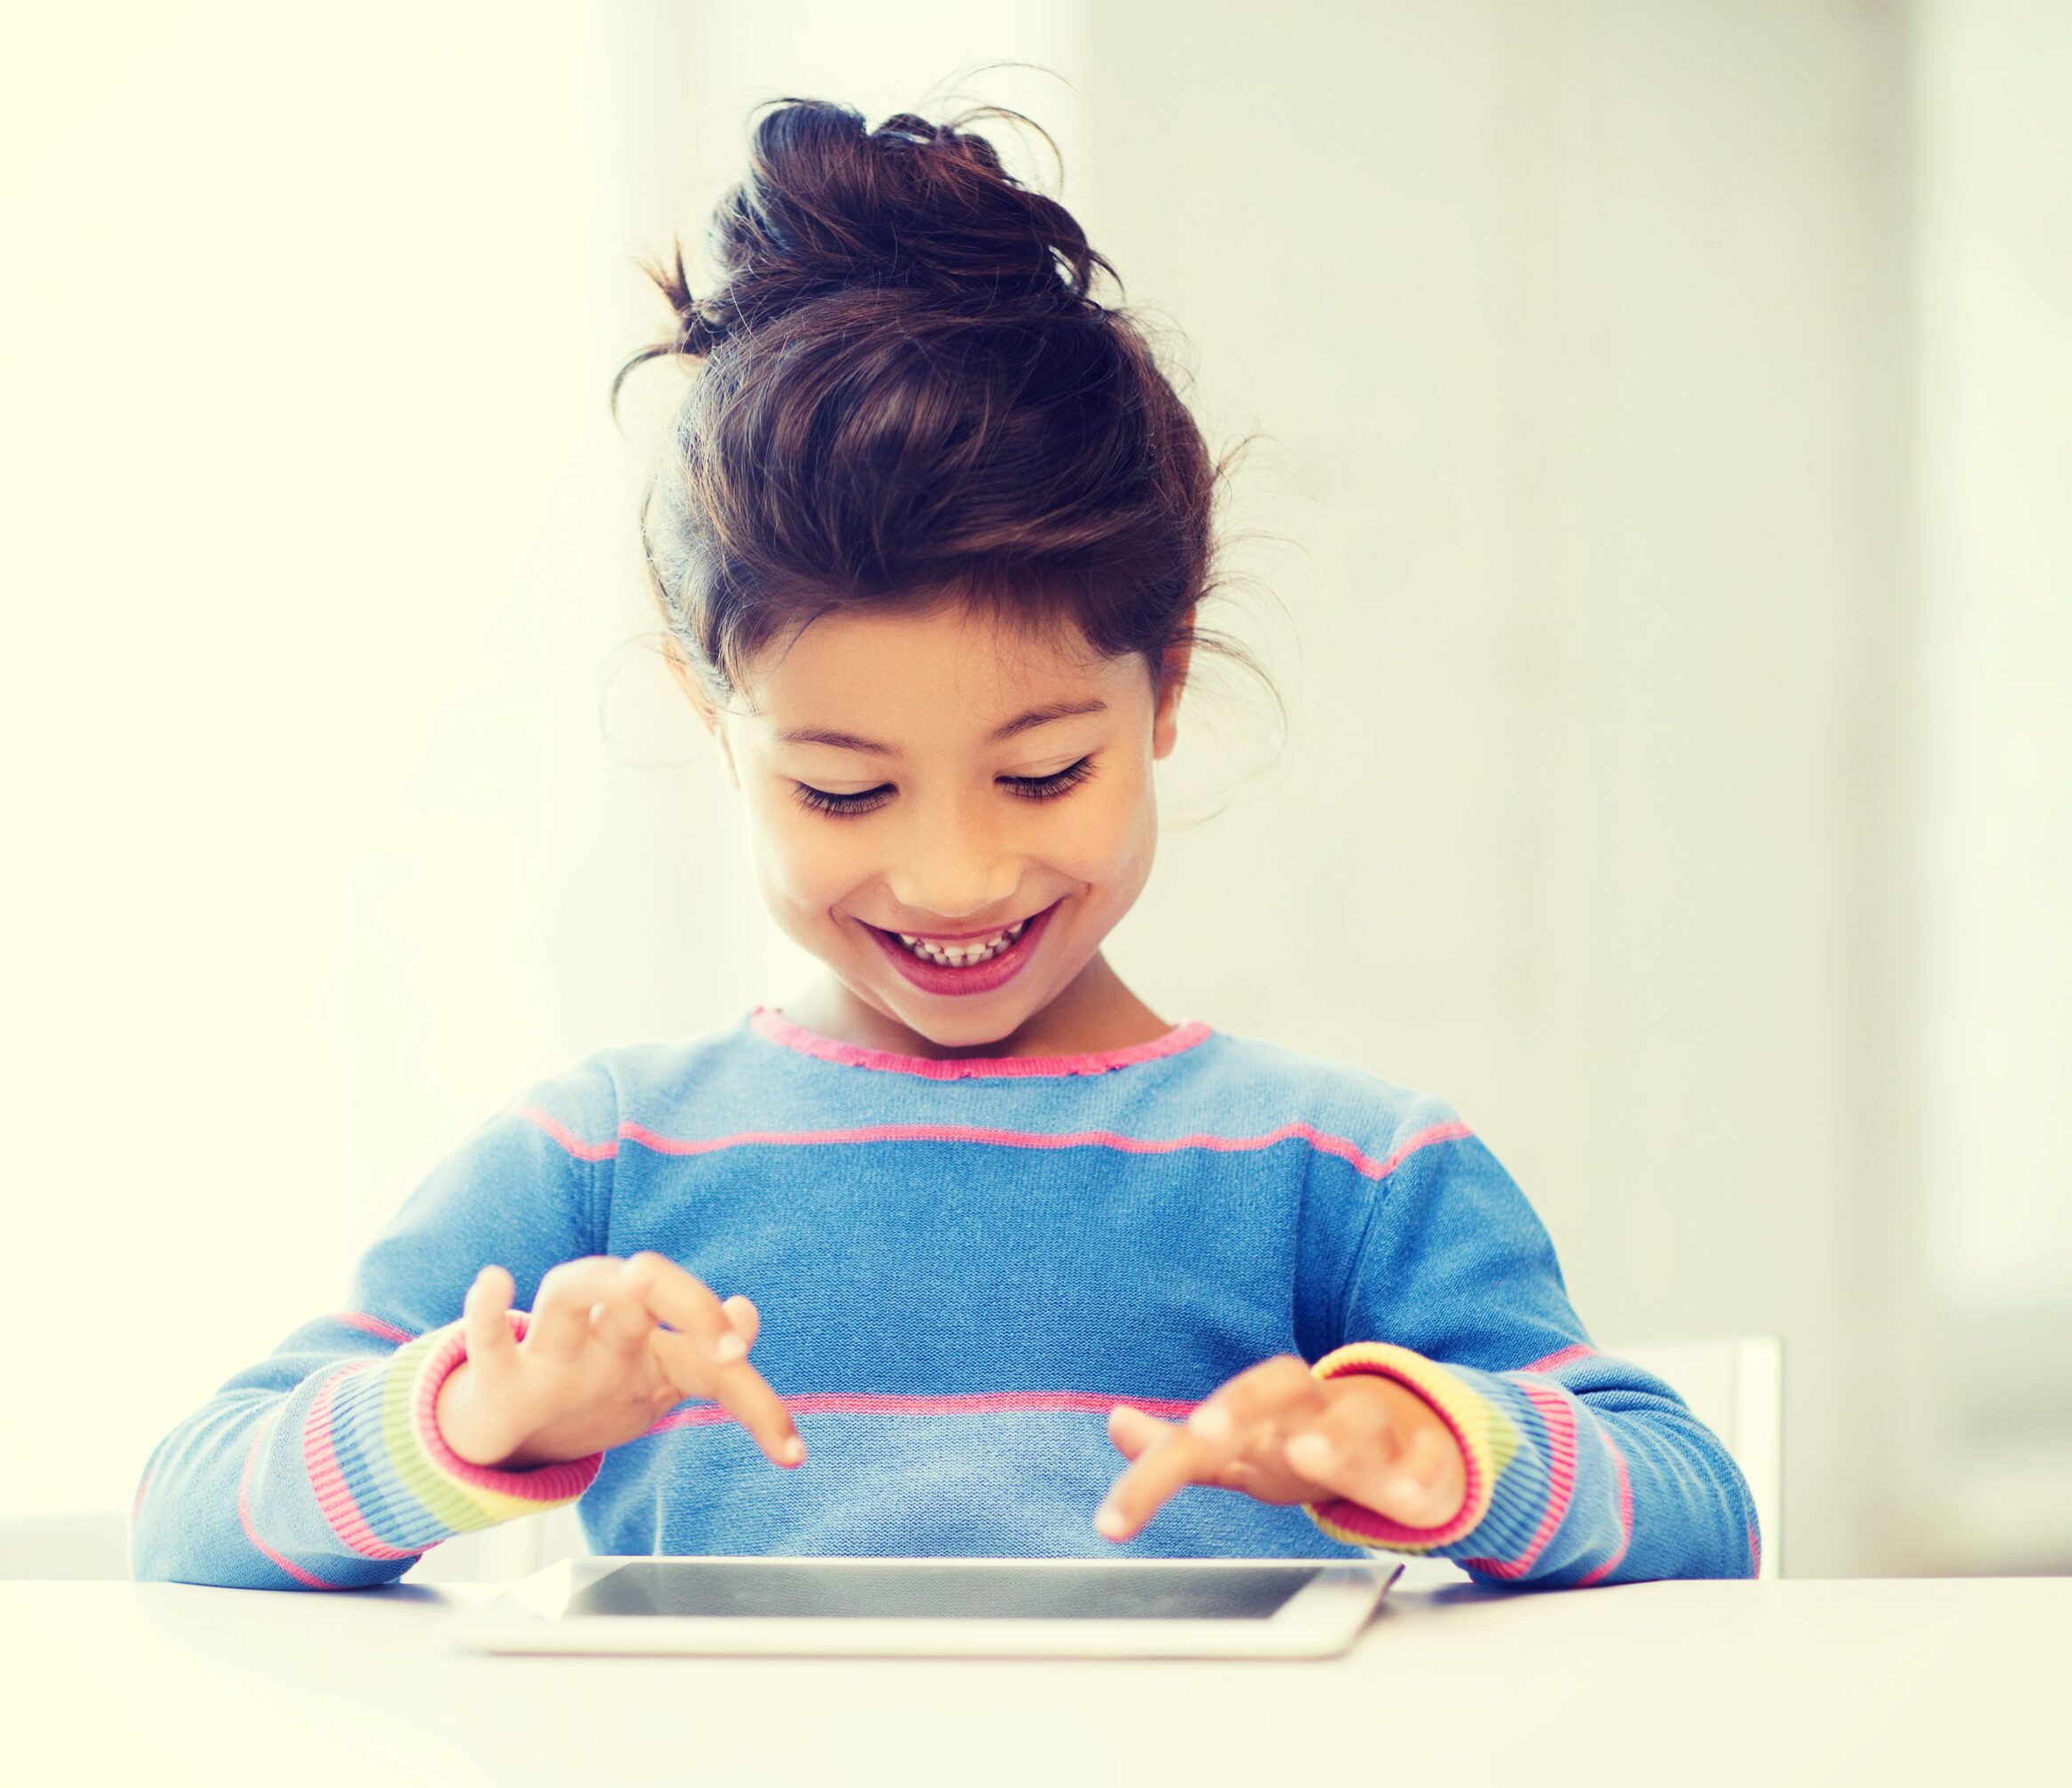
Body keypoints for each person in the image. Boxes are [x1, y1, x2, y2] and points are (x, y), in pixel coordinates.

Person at [131, 93, 1760, 1592]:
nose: (954, 878)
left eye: (1044, 772)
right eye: (845, 791)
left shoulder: (1341, 1176)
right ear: (722, 725)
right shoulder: (607, 1159)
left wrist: (1434, 1448)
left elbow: (1696, 1500)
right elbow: (191, 1505)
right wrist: (478, 1417)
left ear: (1166, 686)